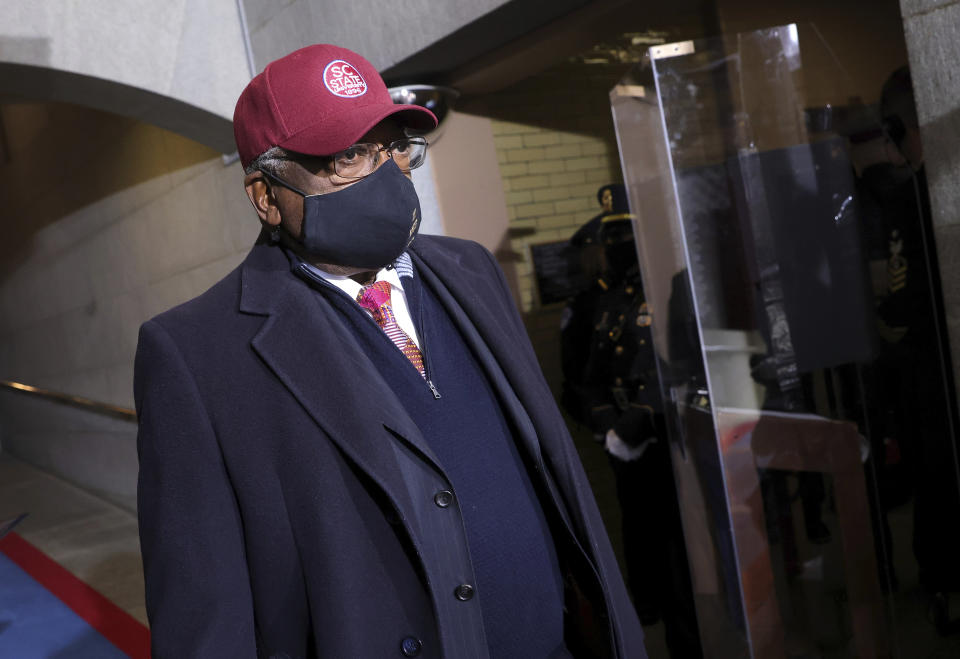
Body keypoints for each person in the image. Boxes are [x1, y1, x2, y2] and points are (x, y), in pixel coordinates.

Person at [134, 44, 646, 659]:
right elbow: (203, 613)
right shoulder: (196, 354)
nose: (386, 174)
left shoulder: (470, 269)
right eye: (349, 155)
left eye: (395, 145)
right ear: (265, 195)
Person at [560, 187, 701, 657]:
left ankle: (689, 637)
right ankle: (650, 611)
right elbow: (589, 374)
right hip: (625, 439)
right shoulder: (611, 300)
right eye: (612, 237)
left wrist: (641, 420)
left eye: (626, 236)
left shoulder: (671, 289)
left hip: (670, 438)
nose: (618, 247)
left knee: (682, 552)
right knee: (642, 534)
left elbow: (687, 364)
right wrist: (607, 424)